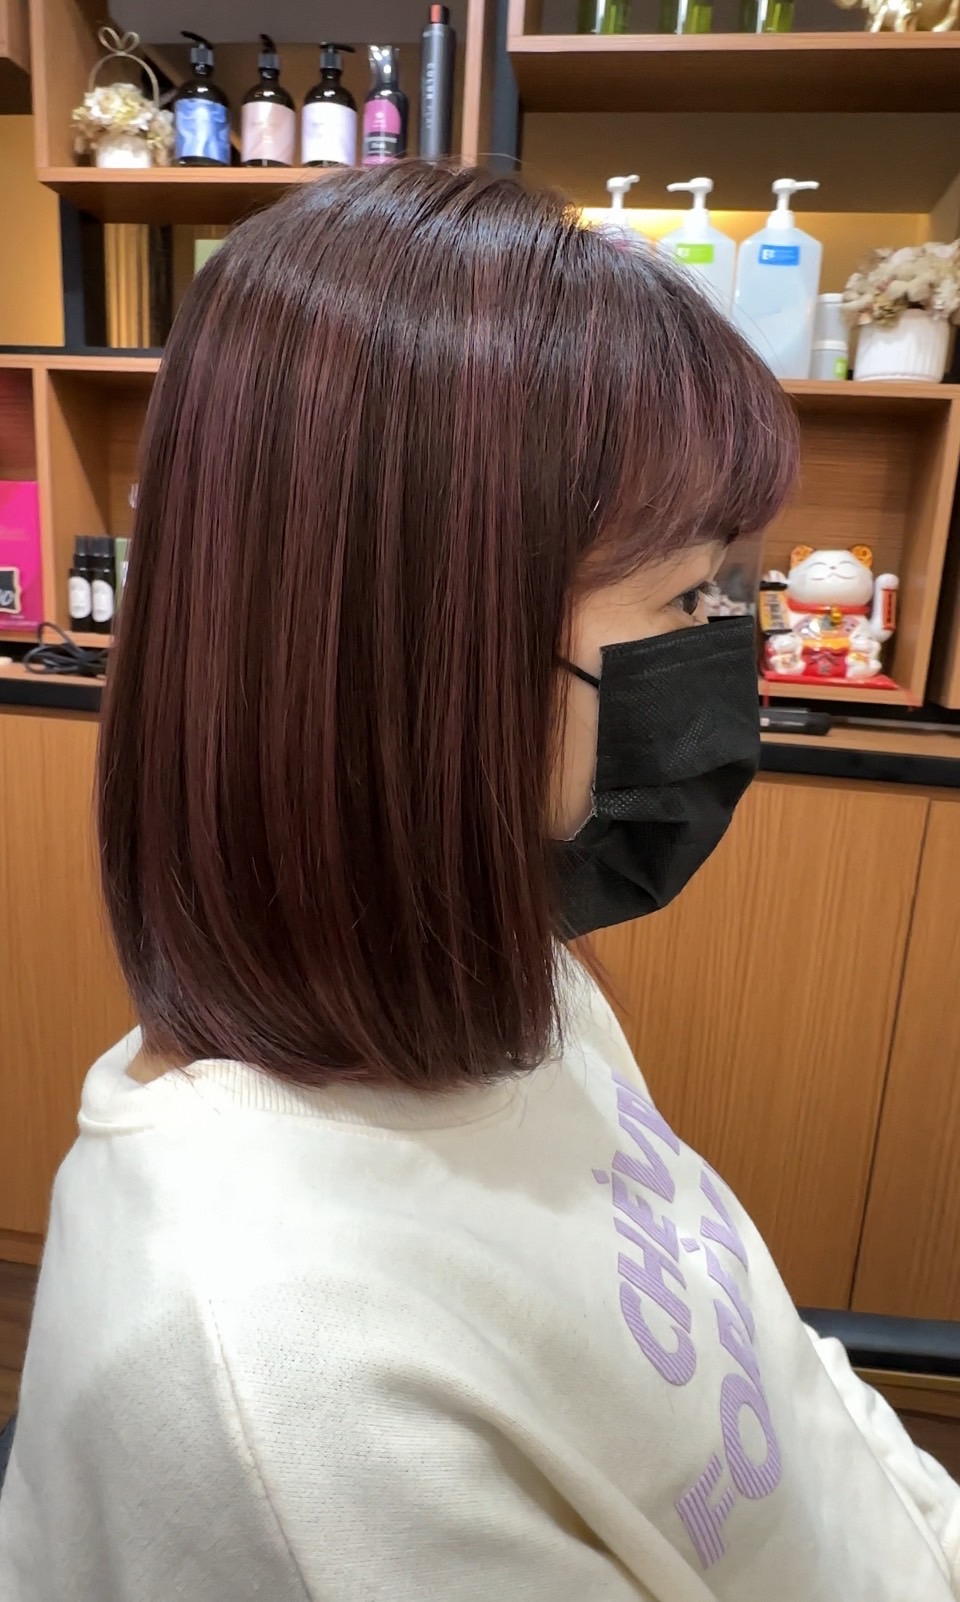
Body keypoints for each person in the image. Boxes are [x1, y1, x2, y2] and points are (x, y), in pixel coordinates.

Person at [0, 164, 956, 1602]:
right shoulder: (290, 1389)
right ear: (421, 661)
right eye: (688, 597)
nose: (726, 651)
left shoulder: (513, 983)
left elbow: (762, 1360)